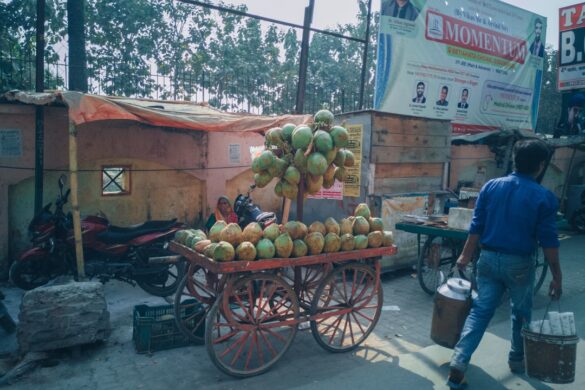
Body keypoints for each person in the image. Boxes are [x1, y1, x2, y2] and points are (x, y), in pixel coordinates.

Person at [446, 139, 562, 389]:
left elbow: (476, 225)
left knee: (480, 311)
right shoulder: (544, 197)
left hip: (486, 259)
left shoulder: (491, 186)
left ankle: (459, 360)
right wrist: (557, 276)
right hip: (519, 264)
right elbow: (550, 241)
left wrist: (465, 256)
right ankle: (517, 360)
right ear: (541, 165)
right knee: (520, 313)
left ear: (515, 161)